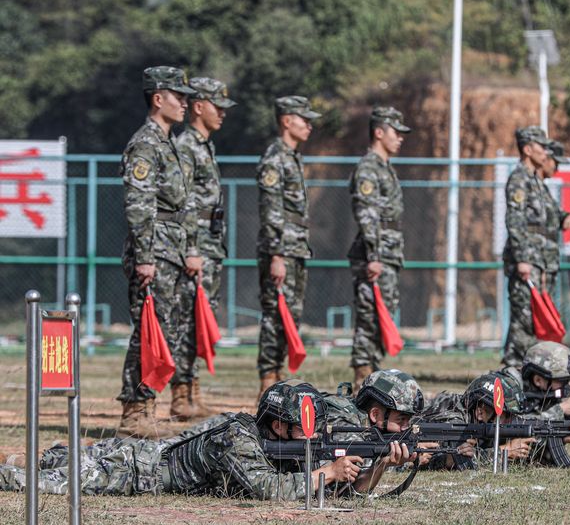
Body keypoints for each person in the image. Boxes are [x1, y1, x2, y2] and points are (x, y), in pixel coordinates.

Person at [0, 381, 401, 499]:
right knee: (34, 483)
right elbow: (268, 487)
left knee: (45, 458)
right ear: (278, 427)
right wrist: (326, 473)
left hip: (135, 454)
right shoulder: (238, 439)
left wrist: (378, 465)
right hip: (133, 472)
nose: (309, 437)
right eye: (301, 429)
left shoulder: (270, 437)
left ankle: (15, 456)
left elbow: (347, 492)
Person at [117, 66, 197, 438]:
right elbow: (139, 204)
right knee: (148, 332)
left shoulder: (169, 143)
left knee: (166, 331)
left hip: (173, 248)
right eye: (178, 96)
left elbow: (182, 205)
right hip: (155, 252)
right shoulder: (146, 143)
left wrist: (189, 249)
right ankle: (135, 412)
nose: (185, 102)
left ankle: (148, 406)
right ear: (157, 98)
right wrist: (145, 256)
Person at [173, 77, 237, 421]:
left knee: (201, 318)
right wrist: (192, 248)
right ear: (198, 107)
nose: (223, 114)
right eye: (218, 106)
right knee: (188, 318)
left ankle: (193, 391)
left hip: (210, 244)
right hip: (196, 245)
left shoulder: (203, 145)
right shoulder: (186, 146)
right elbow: (182, 202)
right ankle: (182, 394)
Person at [256, 96, 320, 397]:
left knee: (289, 315)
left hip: (295, 248)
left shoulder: (293, 157)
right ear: (286, 121)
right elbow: (271, 210)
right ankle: (268, 378)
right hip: (281, 250)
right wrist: (276, 255)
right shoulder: (275, 158)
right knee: (274, 314)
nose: (309, 124)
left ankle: (278, 376)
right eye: (302, 118)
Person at [347, 107, 410, 391]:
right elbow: (367, 213)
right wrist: (373, 255)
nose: (400, 138)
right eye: (396, 132)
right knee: (370, 317)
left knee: (381, 315)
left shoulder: (385, 167)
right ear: (379, 132)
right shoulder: (369, 168)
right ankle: (362, 377)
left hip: (388, 253)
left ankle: (372, 375)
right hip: (376, 255)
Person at [502, 126, 553, 367]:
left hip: (538, 258)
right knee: (523, 316)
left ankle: (523, 366)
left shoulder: (535, 181)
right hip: (526, 259)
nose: (545, 151)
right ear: (527, 149)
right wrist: (522, 257)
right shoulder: (519, 179)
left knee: (531, 318)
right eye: (541, 147)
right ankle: (513, 366)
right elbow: (515, 219)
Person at [418, 371, 537, 469]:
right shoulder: (453, 419)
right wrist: (505, 451)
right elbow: (449, 461)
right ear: (480, 412)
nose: (510, 423)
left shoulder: (477, 422)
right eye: (506, 417)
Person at [540, 139, 570, 294]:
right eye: (556, 162)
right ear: (545, 159)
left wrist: (567, 216)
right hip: (538, 263)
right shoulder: (528, 185)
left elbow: (554, 213)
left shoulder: (542, 189)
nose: (557, 168)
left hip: (547, 262)